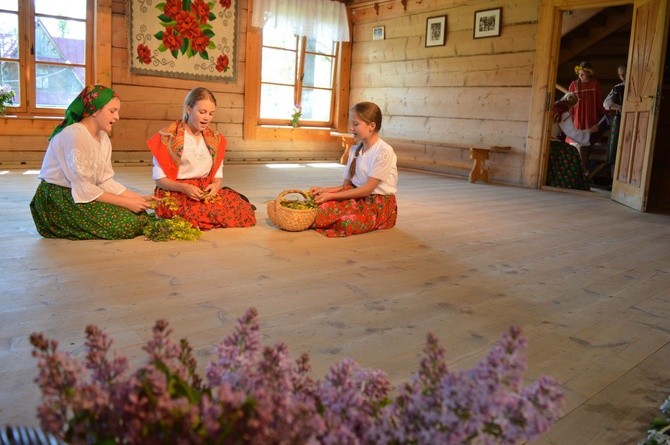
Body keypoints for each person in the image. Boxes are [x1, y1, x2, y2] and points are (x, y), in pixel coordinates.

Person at [30, 84, 153, 240]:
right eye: (112, 111)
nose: (117, 117)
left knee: (141, 215)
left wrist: (138, 198)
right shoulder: (75, 134)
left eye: (117, 111)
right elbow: (83, 187)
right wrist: (126, 203)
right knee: (127, 224)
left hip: (82, 192)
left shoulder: (103, 138)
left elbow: (105, 181)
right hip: (59, 197)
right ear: (95, 110)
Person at [147, 87, 256, 230]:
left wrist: (216, 185)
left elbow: (217, 176)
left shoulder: (215, 139)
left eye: (211, 114)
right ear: (189, 109)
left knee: (243, 211)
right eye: (202, 112)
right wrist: (185, 188)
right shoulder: (168, 138)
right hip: (176, 192)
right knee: (194, 215)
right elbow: (160, 180)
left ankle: (232, 198)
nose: (207, 118)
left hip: (203, 192)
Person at [310, 101, 398, 237]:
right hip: (358, 198)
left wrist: (331, 195)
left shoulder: (384, 152)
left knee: (346, 222)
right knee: (321, 208)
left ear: (371, 126)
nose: (351, 128)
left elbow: (367, 189)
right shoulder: (354, 150)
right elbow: (347, 187)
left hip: (378, 205)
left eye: (356, 124)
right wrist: (324, 190)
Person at [546, 93, 599, 190]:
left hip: (546, 140)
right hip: (550, 142)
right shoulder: (563, 113)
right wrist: (590, 130)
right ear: (573, 105)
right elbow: (572, 133)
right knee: (572, 151)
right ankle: (568, 182)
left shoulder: (554, 106)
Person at [567, 61, 606, 172]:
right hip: (576, 118)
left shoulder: (595, 84)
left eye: (584, 73)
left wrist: (605, 116)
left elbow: (599, 103)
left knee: (585, 147)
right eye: (580, 73)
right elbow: (568, 104)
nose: (581, 74)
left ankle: (584, 172)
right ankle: (576, 172)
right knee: (575, 145)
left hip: (589, 119)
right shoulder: (573, 85)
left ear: (589, 73)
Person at [603, 64, 626, 165]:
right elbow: (606, 103)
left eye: (624, 74)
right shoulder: (618, 88)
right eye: (620, 75)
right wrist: (620, 107)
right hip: (621, 120)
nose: (623, 77)